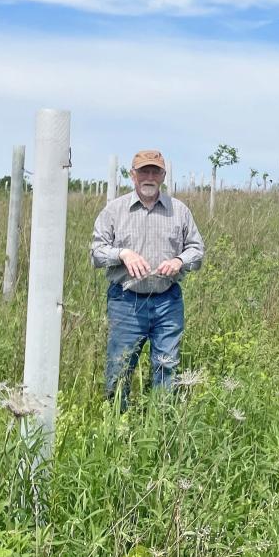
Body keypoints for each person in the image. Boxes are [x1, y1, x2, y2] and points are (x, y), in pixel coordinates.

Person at [91, 149, 205, 409]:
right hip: (126, 302)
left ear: (163, 176)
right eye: (144, 171)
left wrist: (179, 261)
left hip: (168, 301)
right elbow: (96, 253)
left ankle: (161, 428)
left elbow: (196, 250)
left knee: (167, 367)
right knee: (120, 368)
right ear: (133, 175)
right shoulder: (114, 210)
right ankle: (117, 427)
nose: (149, 177)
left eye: (155, 171)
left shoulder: (179, 211)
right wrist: (123, 254)